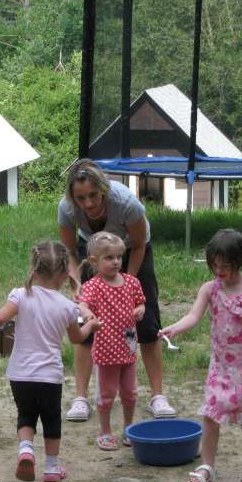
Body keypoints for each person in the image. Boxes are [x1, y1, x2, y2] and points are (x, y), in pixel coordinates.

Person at [0, 241, 101, 482]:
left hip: (20, 374)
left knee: (26, 414)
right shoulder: (68, 307)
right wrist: (90, 325)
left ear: (33, 271)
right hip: (49, 376)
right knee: (51, 420)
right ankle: (51, 468)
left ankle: (26, 450)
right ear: (65, 276)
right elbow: (76, 338)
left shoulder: (20, 295)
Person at [58, 158, 175, 421]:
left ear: (103, 189)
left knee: (146, 320)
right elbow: (69, 252)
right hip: (93, 251)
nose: (88, 203)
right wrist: (76, 283)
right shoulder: (67, 207)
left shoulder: (126, 203)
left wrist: (127, 286)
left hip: (131, 250)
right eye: (80, 197)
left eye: (93, 195)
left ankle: (157, 395)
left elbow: (139, 245)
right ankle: (81, 398)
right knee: (86, 320)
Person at [159, 229, 242, 482]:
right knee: (211, 416)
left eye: (225, 266)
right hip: (220, 367)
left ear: (240, 261)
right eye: (214, 265)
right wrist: (175, 328)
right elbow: (194, 316)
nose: (218, 270)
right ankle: (207, 466)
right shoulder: (210, 289)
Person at [79, 232, 146, 450]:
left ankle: (128, 429)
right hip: (105, 351)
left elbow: (140, 302)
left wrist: (140, 309)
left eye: (119, 257)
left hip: (128, 349)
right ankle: (105, 431)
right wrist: (87, 313)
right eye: (109, 258)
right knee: (106, 394)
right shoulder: (93, 285)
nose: (116, 262)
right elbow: (83, 304)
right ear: (95, 261)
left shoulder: (132, 282)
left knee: (130, 392)